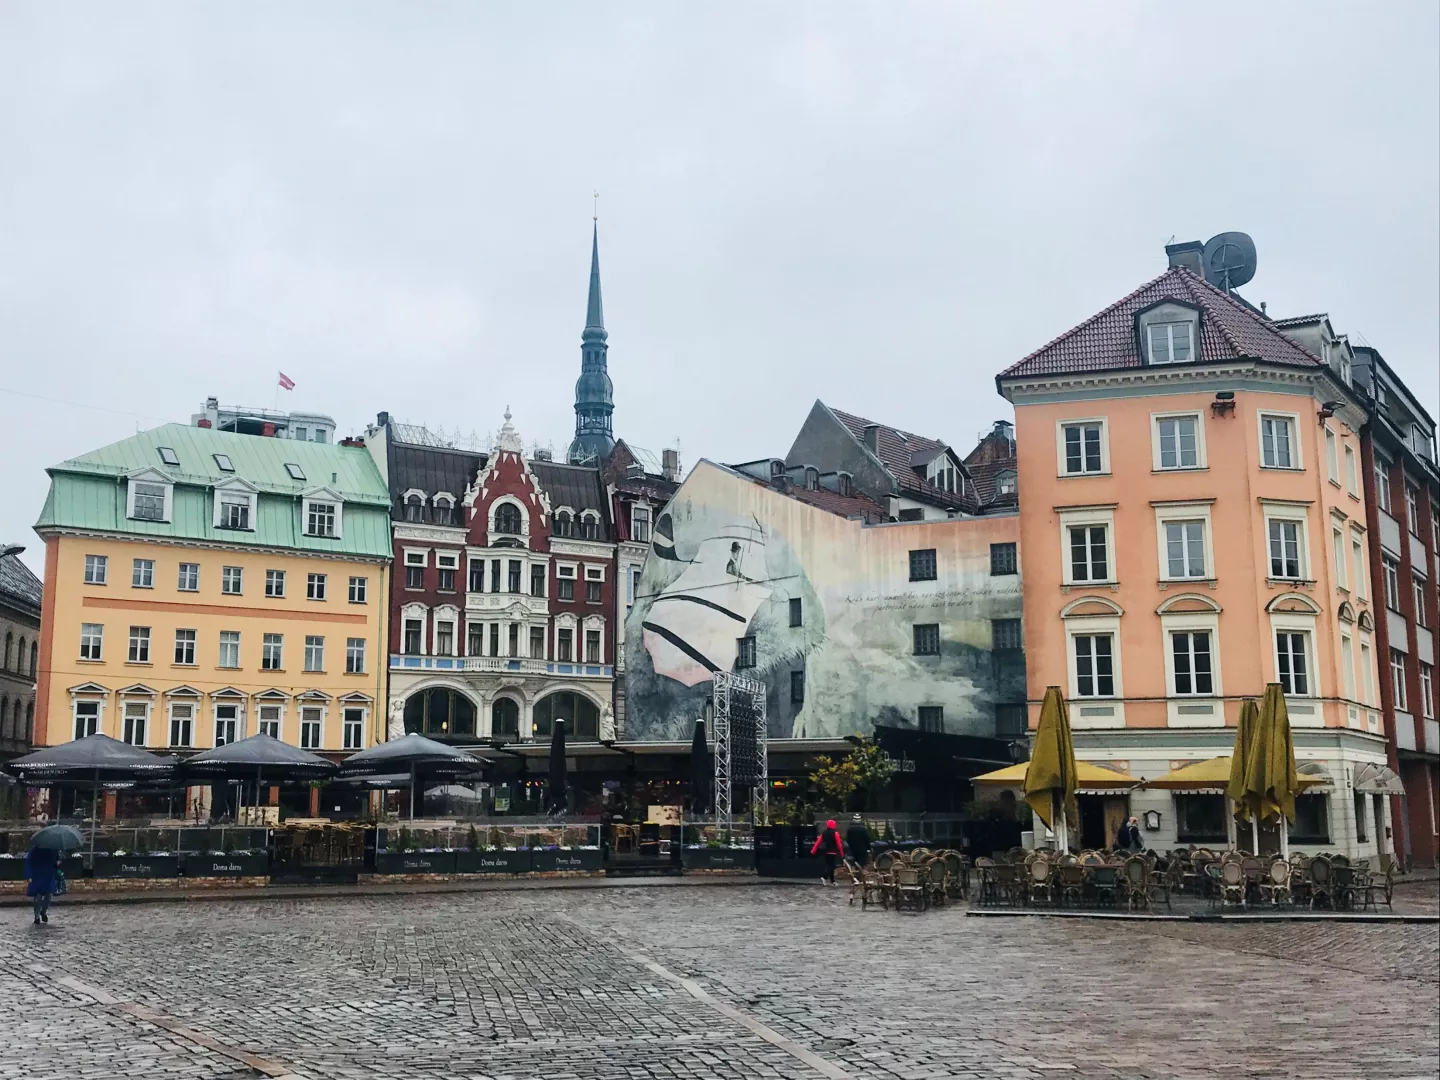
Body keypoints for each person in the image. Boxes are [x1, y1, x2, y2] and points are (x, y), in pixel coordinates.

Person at [24, 846, 60, 925]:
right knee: (37, 898)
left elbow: (56, 862)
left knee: (49, 896)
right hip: (37, 876)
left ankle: (43, 911)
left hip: (48, 876)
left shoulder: (53, 850)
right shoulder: (34, 850)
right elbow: (28, 862)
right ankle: (36, 916)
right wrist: (29, 875)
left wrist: (57, 864)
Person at [810, 819, 845, 885]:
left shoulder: (824, 833)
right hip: (833, 852)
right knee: (832, 866)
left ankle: (832, 881)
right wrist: (842, 853)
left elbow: (818, 842)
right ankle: (825, 877)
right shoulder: (835, 833)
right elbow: (839, 844)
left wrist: (813, 851)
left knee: (829, 866)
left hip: (826, 852)